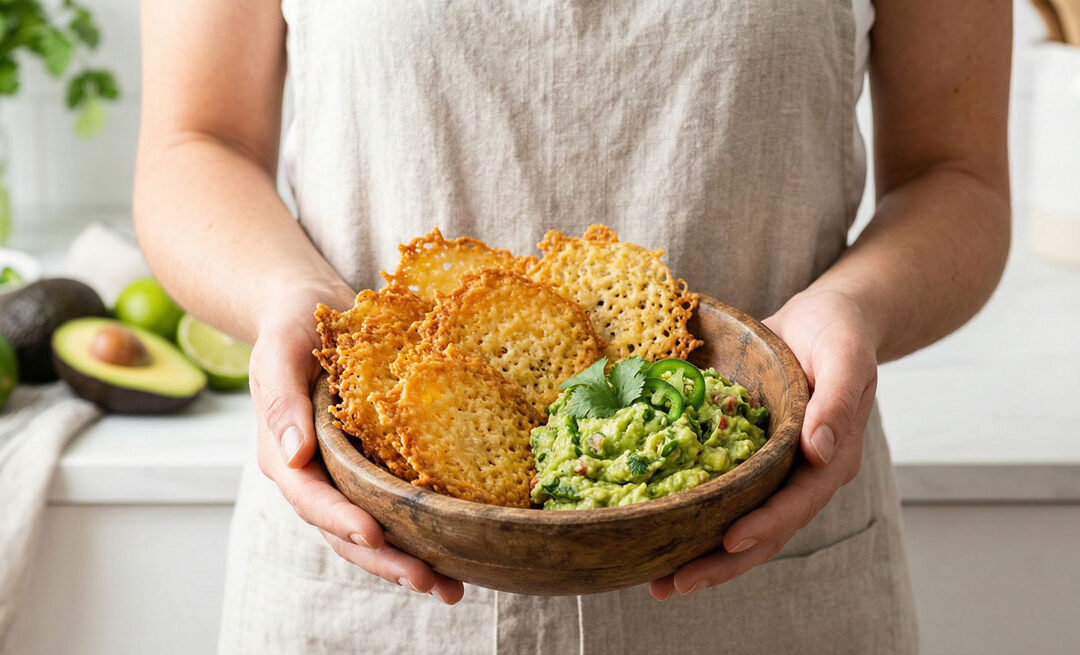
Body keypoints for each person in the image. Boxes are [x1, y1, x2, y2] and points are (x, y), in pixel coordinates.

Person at [134, 1, 1011, 653]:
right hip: (374, 560)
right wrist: (290, 294)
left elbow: (956, 177)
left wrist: (852, 307)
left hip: (769, 555)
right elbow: (193, 141)